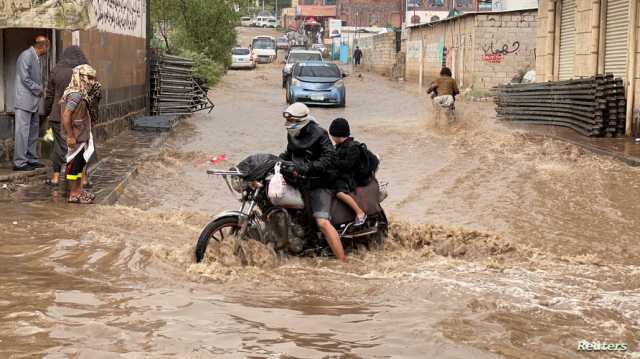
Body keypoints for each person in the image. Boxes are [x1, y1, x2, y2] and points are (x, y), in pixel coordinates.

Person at [279, 102, 347, 263]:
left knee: (322, 222)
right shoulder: (293, 134)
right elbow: (289, 153)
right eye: (287, 121)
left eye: (291, 121)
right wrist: (276, 161)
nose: (288, 125)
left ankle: (343, 261)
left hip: (320, 182)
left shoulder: (320, 134)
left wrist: (306, 168)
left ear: (301, 121)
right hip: (300, 179)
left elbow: (328, 158)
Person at [44, 46, 89, 185]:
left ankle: (56, 178)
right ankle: (84, 179)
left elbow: (49, 95)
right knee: (81, 147)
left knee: (59, 147)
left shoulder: (56, 71)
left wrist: (47, 112)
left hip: (58, 115)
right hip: (79, 117)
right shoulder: (84, 71)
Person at [61, 64, 100, 204]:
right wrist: (71, 136)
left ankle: (78, 191)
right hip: (76, 136)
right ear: (81, 77)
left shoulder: (82, 93)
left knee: (79, 165)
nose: (93, 81)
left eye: (93, 78)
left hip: (81, 135)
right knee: (73, 166)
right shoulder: (75, 94)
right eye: (89, 78)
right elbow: (66, 116)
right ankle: (73, 194)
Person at [13, 35, 49, 171]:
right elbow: (25, 78)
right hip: (24, 100)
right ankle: (20, 163)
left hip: (33, 101)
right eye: (47, 46)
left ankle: (31, 159)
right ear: (42, 46)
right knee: (22, 132)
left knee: (33, 131)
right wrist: (39, 89)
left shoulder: (36, 57)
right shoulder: (26, 55)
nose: (47, 49)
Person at [328, 118, 366, 226]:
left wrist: (333, 160)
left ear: (337, 135)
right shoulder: (338, 147)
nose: (332, 138)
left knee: (339, 192)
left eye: (332, 136)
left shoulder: (353, 147)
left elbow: (347, 166)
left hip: (350, 177)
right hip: (341, 174)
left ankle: (360, 212)